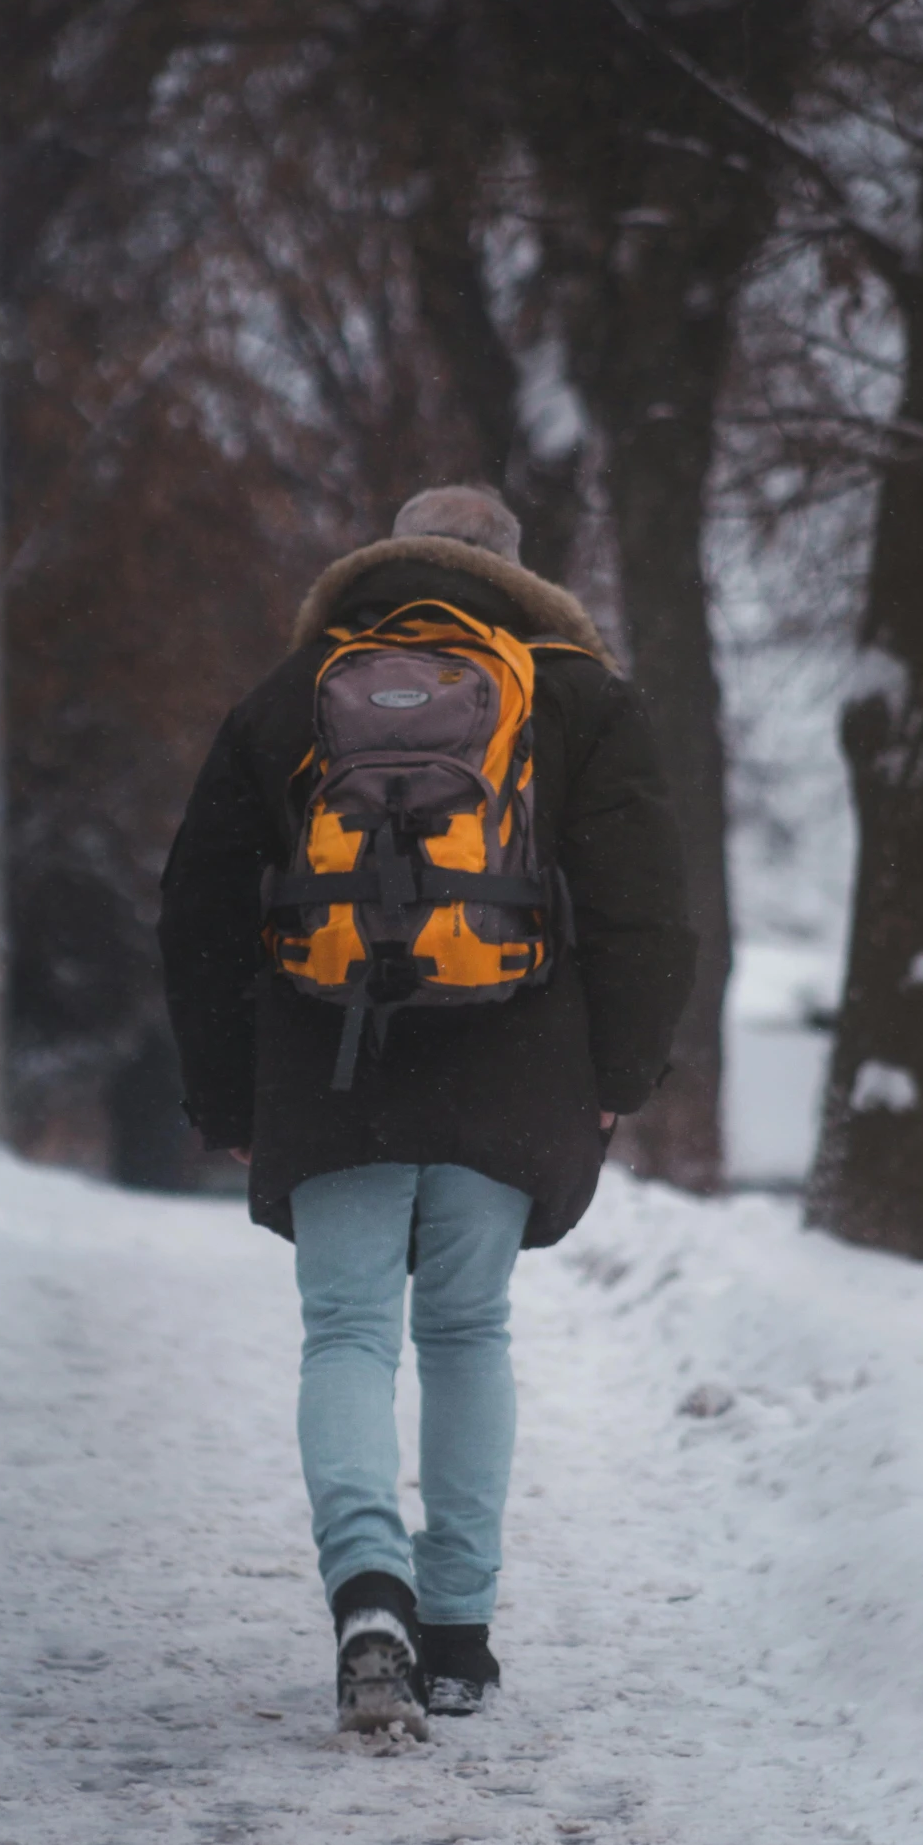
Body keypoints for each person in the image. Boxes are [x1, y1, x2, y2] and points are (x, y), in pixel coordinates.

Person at [159, 485, 694, 1733]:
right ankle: (456, 1631)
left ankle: (367, 1593)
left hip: (327, 1060)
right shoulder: (578, 700)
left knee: (347, 1334)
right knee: (465, 1336)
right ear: (516, 576)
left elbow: (197, 908)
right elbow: (647, 915)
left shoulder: (292, 696)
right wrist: (614, 1078)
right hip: (514, 1069)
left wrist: (227, 1090)